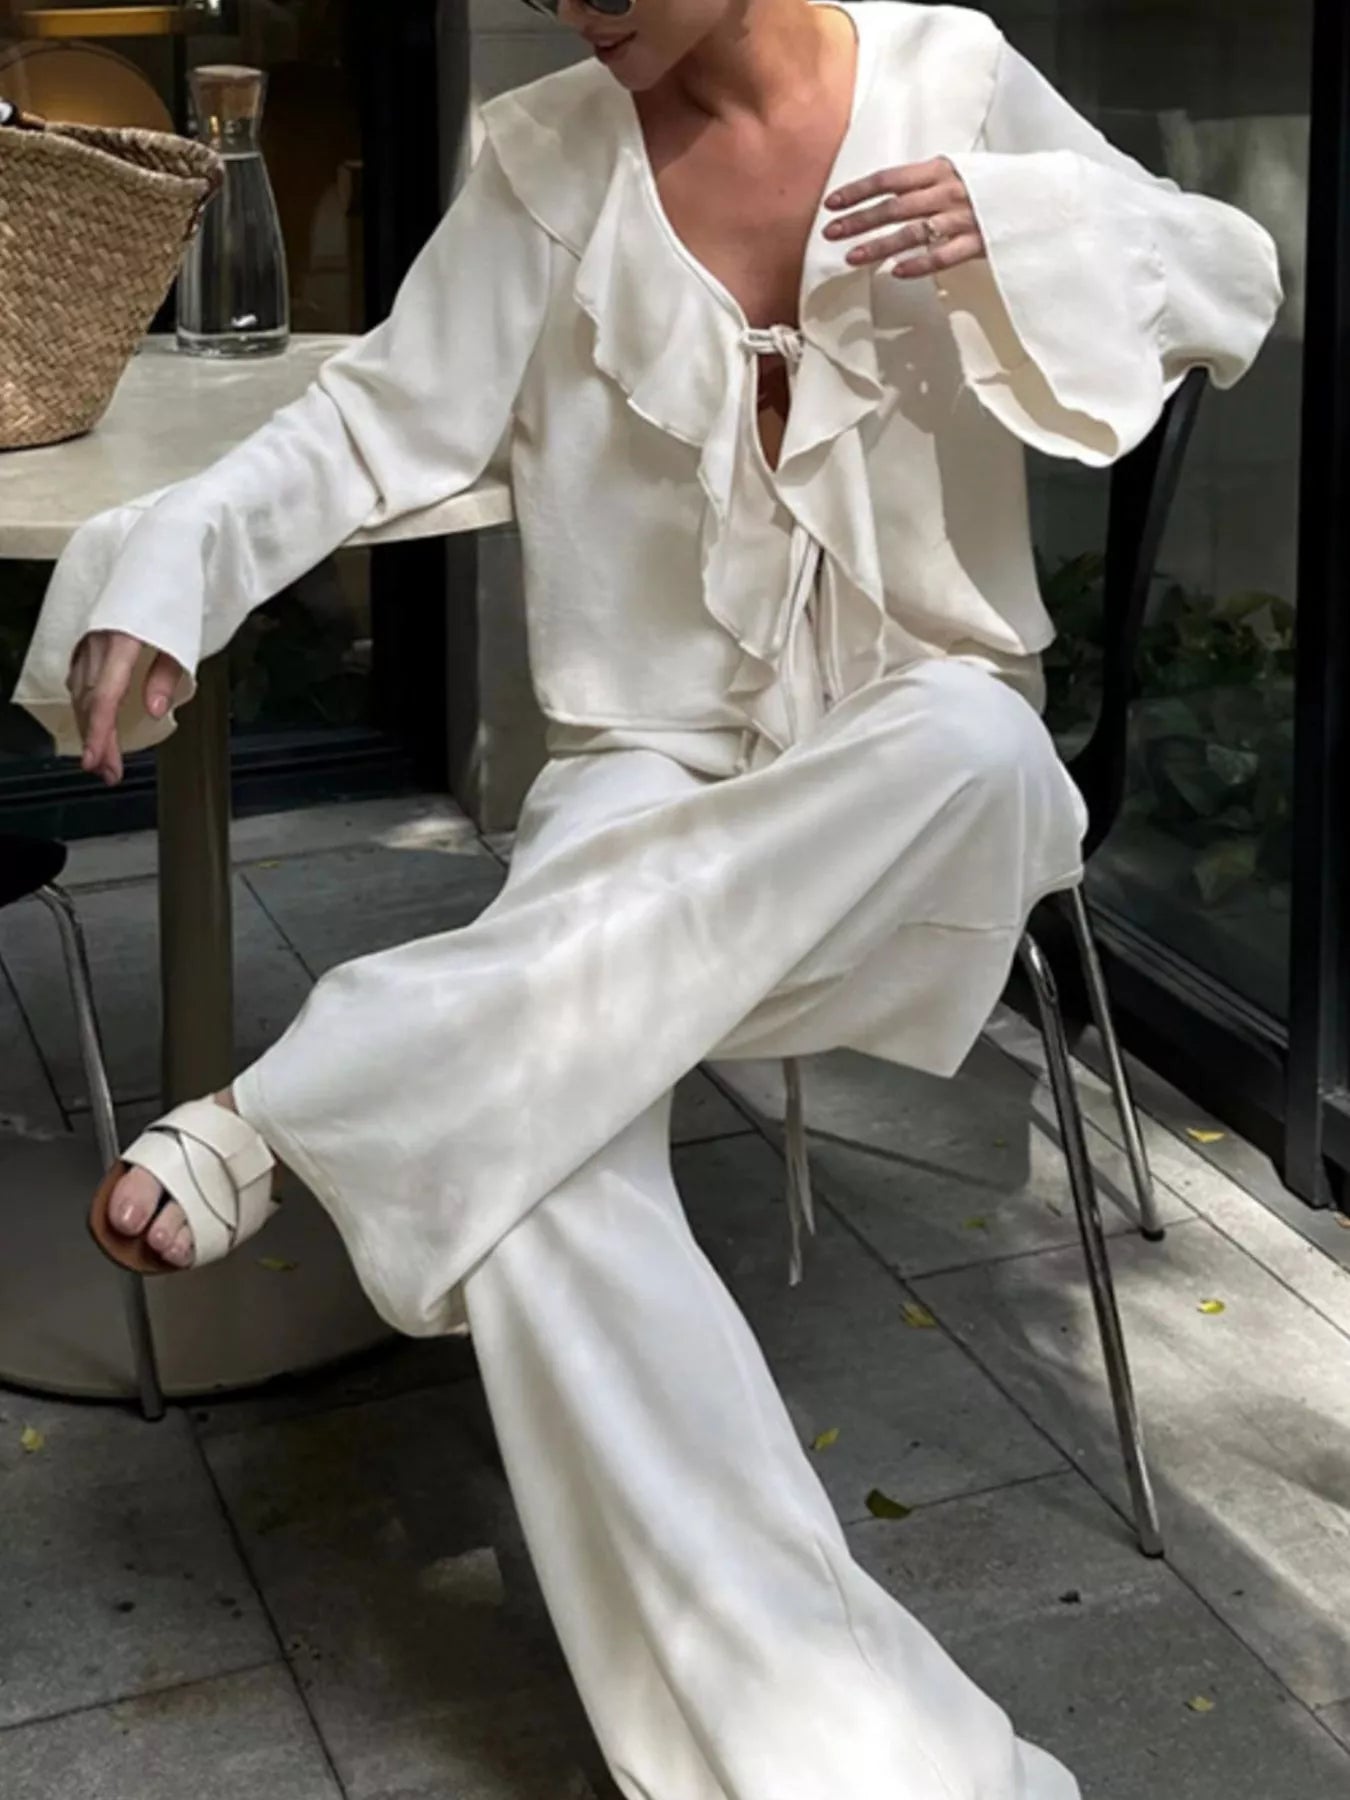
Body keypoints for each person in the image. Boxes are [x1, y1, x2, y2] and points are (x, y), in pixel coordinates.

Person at [14, 2, 1281, 1793]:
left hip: (907, 788)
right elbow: (374, 418)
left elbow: (1228, 270)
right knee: (535, 1179)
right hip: (645, 778)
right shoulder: (542, 155)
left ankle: (307, 1098)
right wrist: (173, 562)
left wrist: (1039, 231)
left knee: (988, 756)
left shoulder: (952, 72)